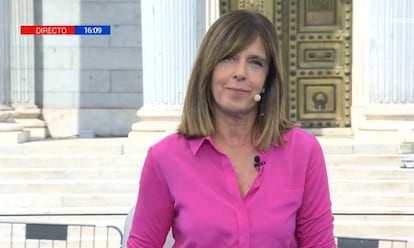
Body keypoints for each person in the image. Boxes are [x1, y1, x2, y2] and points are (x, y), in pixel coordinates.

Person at [127, 9, 335, 248]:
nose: (240, 73)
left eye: (255, 63)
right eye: (228, 58)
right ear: (208, 69)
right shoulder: (164, 158)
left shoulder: (303, 151)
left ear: (268, 80)